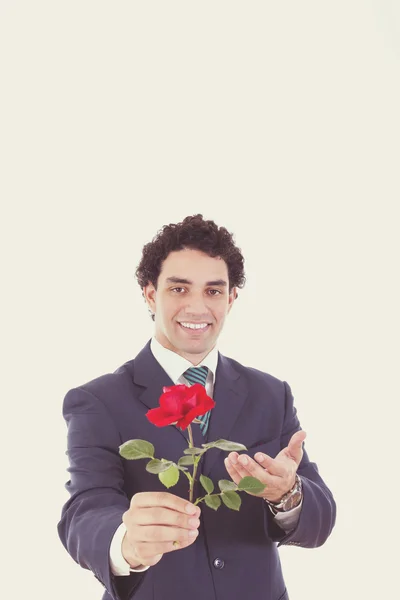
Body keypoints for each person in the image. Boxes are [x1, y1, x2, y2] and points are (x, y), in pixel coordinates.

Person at [57, 214, 336, 600]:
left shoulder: (272, 394)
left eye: (213, 291)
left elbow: (321, 521)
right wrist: (127, 544)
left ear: (231, 298)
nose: (196, 307)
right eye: (179, 289)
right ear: (150, 294)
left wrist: (287, 493)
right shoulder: (98, 401)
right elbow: (85, 510)